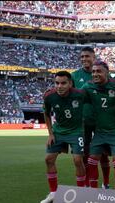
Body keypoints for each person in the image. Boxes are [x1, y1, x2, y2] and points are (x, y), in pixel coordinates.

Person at [40, 71, 86, 203]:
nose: (59, 86)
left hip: (76, 131)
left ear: (70, 83)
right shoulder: (49, 96)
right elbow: (46, 114)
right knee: (48, 159)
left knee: (78, 161)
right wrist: (50, 134)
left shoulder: (80, 94)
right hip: (58, 131)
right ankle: (53, 193)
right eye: (57, 83)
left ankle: (81, 193)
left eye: (63, 83)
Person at [82, 60, 115, 190]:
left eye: (99, 71)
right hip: (99, 132)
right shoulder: (88, 87)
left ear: (107, 72)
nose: (95, 74)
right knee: (91, 160)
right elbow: (75, 96)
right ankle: (94, 192)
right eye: (93, 71)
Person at [71, 46, 110, 188]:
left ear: (94, 58)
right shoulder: (74, 76)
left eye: (87, 56)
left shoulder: (101, 72)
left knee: (103, 153)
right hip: (83, 120)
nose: (84, 59)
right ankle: (88, 184)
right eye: (82, 57)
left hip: (101, 120)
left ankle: (106, 183)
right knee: (85, 153)